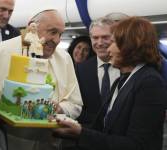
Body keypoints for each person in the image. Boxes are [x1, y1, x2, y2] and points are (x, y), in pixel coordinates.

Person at [53, 17, 167, 150]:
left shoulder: (149, 82)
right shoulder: (123, 80)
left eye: (113, 42)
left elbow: (138, 145)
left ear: (130, 46)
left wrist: (81, 133)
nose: (108, 49)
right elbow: (107, 128)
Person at [1, 9, 83, 150]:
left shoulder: (64, 59)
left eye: (60, 34)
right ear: (31, 26)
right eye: (52, 32)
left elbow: (75, 104)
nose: (57, 40)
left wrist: (61, 108)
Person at [75, 18, 120, 125]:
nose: (99, 43)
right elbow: (76, 107)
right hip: (89, 134)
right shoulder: (81, 69)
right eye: (95, 38)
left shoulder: (127, 66)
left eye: (105, 37)